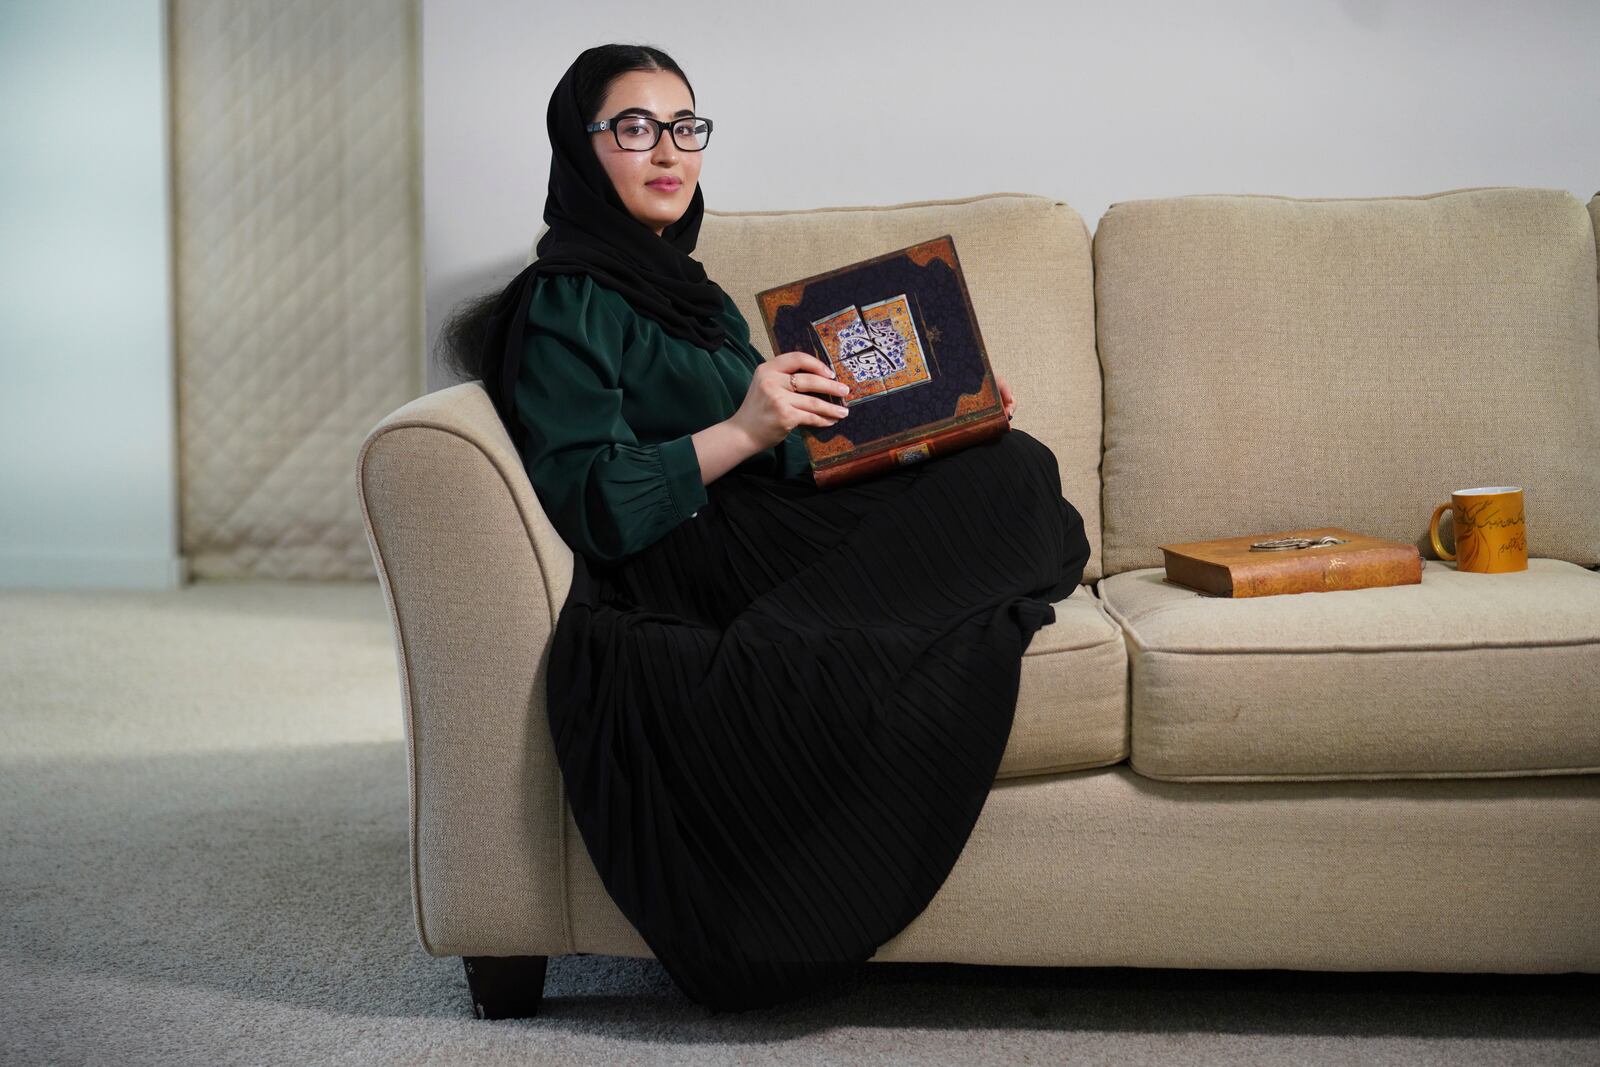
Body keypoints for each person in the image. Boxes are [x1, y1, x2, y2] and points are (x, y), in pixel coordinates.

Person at [443, 43, 1090, 1014]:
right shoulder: (566, 297)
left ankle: (899, 568)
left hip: (770, 518)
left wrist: (937, 423)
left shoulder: (691, 295)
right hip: (691, 556)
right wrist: (741, 426)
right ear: (580, 149)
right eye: (634, 127)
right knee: (1007, 498)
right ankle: (828, 629)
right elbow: (593, 500)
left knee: (1009, 462)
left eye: (684, 127)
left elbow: (796, 453)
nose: (667, 150)